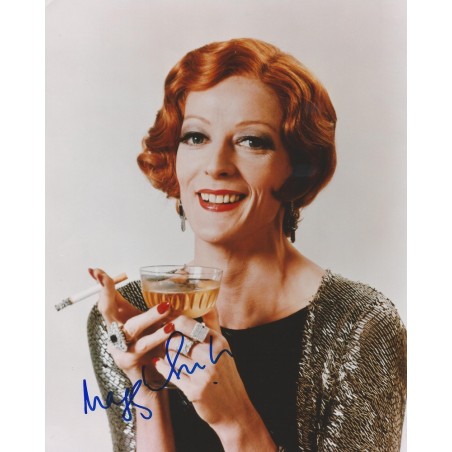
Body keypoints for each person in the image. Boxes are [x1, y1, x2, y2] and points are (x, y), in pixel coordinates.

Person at [87, 38, 406, 451]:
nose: (216, 166)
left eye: (252, 141)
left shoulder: (361, 326)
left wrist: (235, 421)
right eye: (196, 137)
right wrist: (148, 395)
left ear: (296, 168)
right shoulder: (129, 320)